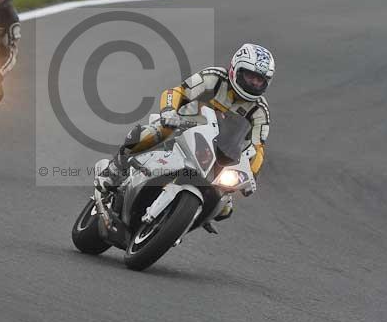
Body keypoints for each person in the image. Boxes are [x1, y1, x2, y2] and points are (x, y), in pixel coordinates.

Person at [94, 43, 274, 221]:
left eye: (260, 80)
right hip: (184, 127)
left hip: (220, 150)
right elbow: (177, 91)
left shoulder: (259, 110)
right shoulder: (215, 77)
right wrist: (169, 112)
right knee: (157, 131)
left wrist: (251, 176)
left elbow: (258, 148)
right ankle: (114, 170)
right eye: (251, 76)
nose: (254, 83)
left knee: (224, 208)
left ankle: (181, 220)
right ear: (236, 69)